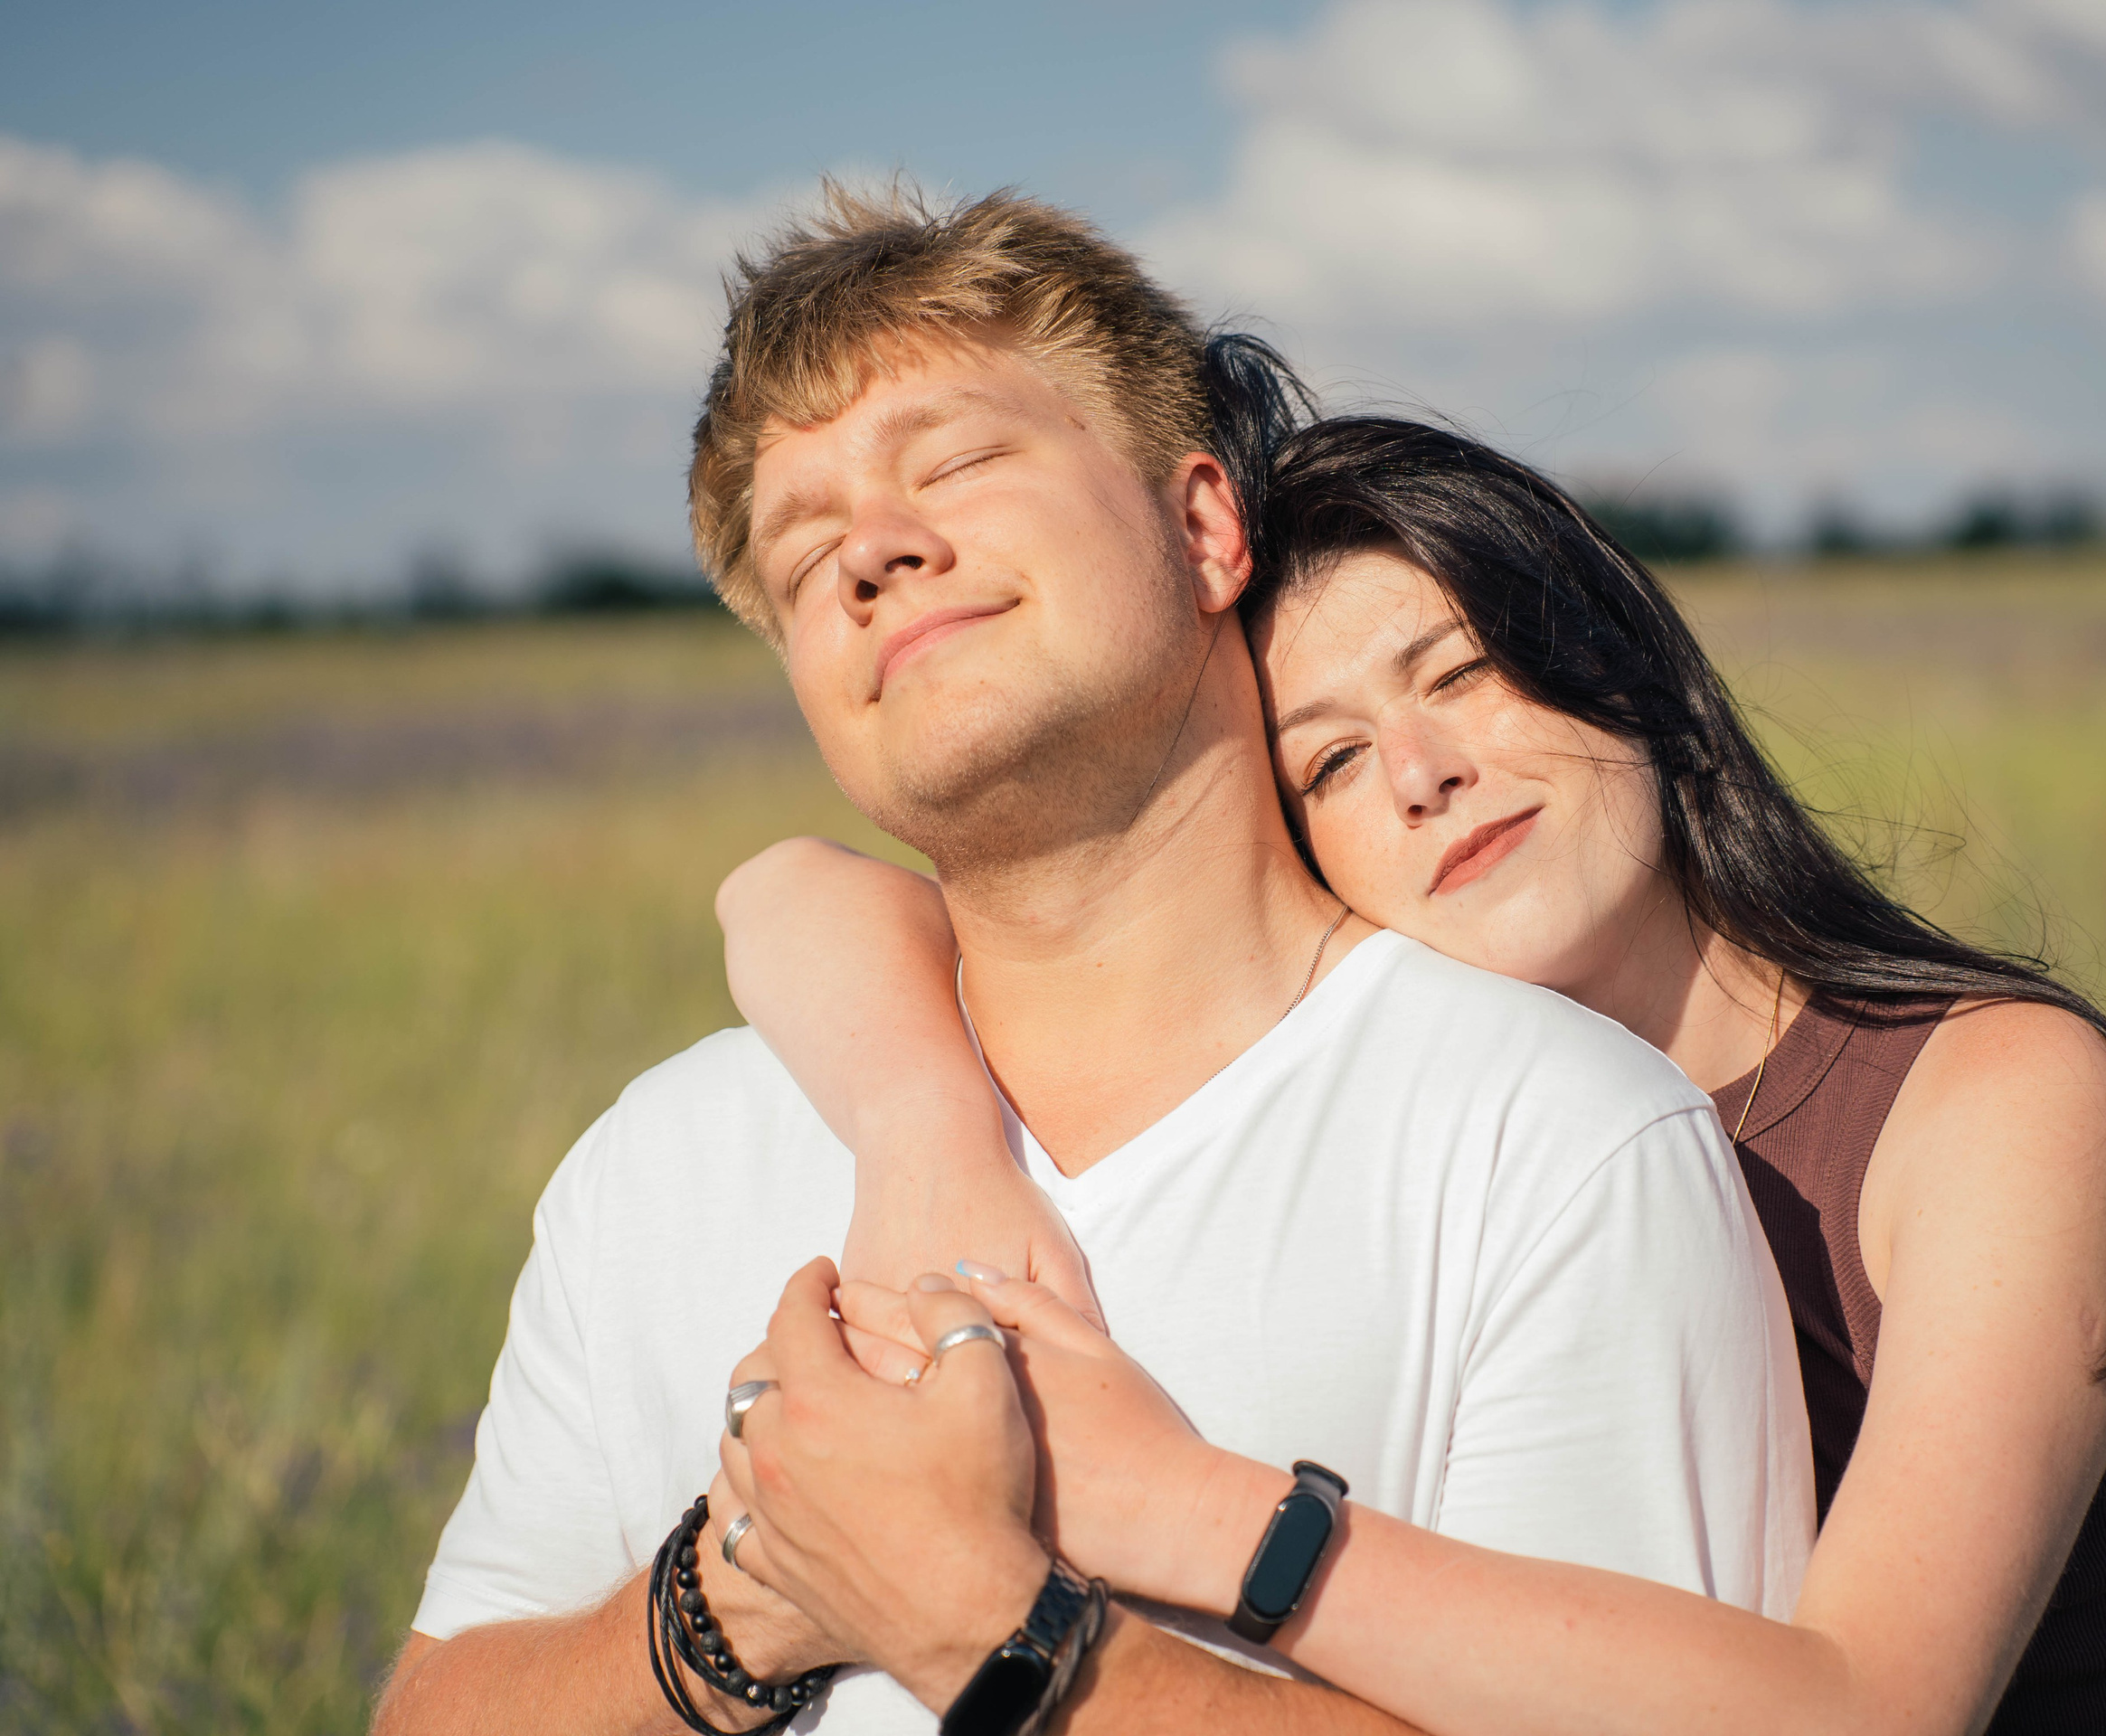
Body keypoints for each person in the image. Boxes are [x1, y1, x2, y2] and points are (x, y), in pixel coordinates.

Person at [373, 187, 1813, 1736]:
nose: (871, 549)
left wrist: (986, 1626)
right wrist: (745, 1596)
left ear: (1202, 527)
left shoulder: (1557, 1145)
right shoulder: (649, 1168)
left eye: (959, 462)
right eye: (802, 559)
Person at [712, 401, 2106, 1732]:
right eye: (1328, 761)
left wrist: (1169, 1508)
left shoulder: (1996, 1100)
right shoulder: (1485, 1139)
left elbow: (1865, 1711)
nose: (1424, 774)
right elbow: (788, 893)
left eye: (1457, 672)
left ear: (1606, 652)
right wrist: (931, 1140)